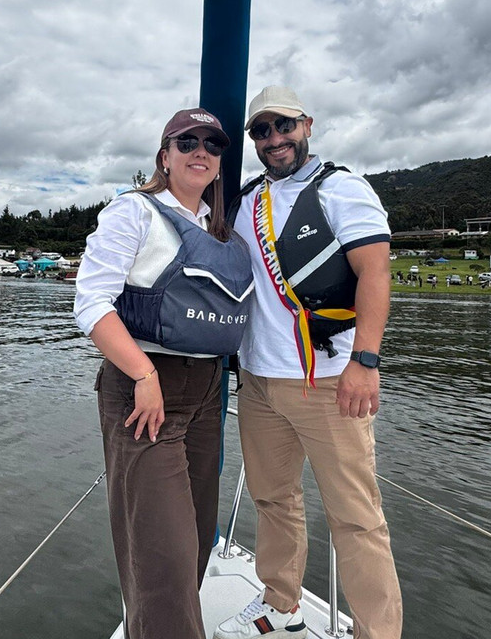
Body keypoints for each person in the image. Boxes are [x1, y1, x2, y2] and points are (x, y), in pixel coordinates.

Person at [216, 87, 403, 639]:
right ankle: (280, 607)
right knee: (273, 499)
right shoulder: (247, 201)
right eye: (262, 131)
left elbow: (376, 274)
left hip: (329, 381)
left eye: (284, 126)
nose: (274, 139)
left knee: (356, 517)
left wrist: (364, 361)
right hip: (259, 381)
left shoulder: (343, 190)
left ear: (308, 126)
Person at [74, 108, 253, 639]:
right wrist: (142, 374)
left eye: (213, 144)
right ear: (165, 155)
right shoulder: (134, 212)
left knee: (196, 537)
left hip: (206, 390)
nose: (201, 151)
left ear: (220, 162)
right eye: (187, 141)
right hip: (144, 389)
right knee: (163, 555)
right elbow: (90, 303)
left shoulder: (221, 232)